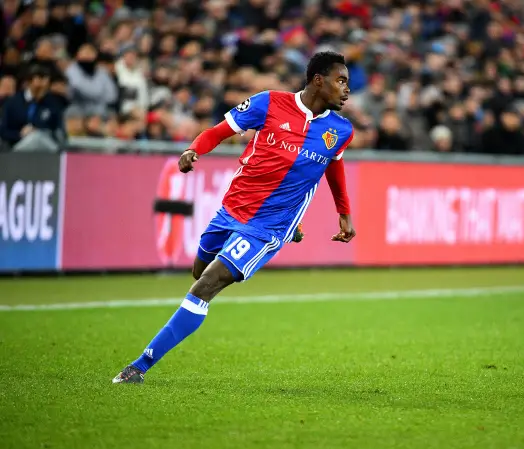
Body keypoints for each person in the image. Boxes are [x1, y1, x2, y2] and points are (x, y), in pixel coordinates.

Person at [113, 51, 356, 384]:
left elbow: (335, 168)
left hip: (268, 228)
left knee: (206, 285)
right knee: (199, 273)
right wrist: (193, 149)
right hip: (231, 210)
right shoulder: (268, 103)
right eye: (341, 81)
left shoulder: (340, 130)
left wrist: (344, 213)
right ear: (318, 80)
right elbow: (220, 130)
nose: (346, 90)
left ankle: (139, 366)